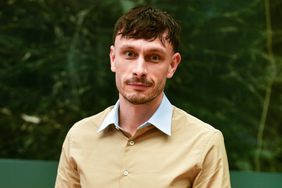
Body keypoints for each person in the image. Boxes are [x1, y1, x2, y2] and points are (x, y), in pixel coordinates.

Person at [55, 6, 231, 188]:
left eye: (154, 57)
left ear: (172, 65)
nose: (139, 70)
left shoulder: (204, 142)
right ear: (113, 58)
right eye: (130, 54)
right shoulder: (79, 137)